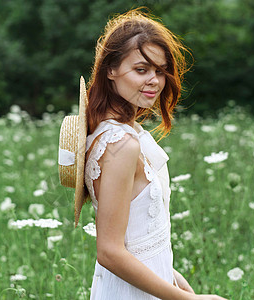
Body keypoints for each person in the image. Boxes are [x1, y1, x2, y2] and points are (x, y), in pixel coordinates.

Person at [82, 9, 227, 300]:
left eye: (160, 71)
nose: (154, 81)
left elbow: (135, 237)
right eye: (141, 69)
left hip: (147, 283)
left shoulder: (113, 131)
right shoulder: (121, 144)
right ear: (110, 69)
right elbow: (109, 252)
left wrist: (173, 277)